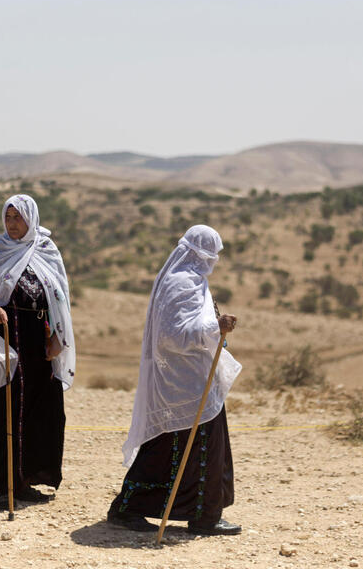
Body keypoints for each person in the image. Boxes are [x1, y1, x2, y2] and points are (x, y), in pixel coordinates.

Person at [106, 225, 243, 536]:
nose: (215, 261)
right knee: (176, 447)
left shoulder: (194, 282)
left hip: (195, 380)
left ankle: (202, 515)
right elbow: (172, 336)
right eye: (213, 254)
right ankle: (132, 508)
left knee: (191, 448)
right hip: (182, 384)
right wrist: (214, 326)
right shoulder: (180, 283)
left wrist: (214, 328)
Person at [0, 194, 76, 509]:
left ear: (32, 218)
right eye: (9, 217)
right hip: (7, 345)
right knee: (5, 411)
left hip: (40, 348)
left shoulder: (46, 250)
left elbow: (60, 298)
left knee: (42, 411)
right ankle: (2, 486)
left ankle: (25, 480)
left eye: (19, 217)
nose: (13, 224)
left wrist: (58, 335)